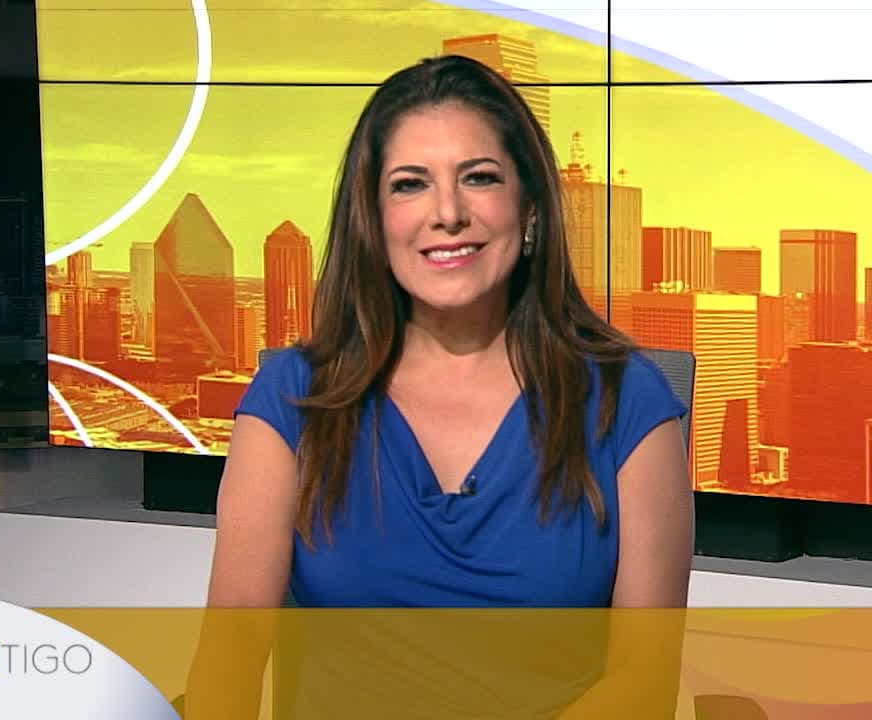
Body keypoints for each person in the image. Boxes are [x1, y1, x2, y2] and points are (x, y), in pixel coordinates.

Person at [186, 54, 693, 719]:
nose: (447, 213)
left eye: (479, 178)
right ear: (373, 219)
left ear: (529, 206)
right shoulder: (292, 397)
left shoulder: (628, 400)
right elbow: (231, 652)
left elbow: (644, 680)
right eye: (410, 185)